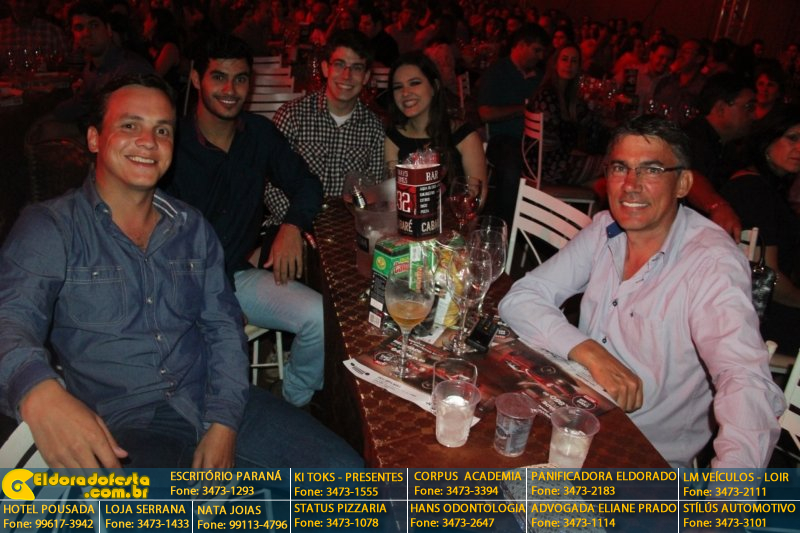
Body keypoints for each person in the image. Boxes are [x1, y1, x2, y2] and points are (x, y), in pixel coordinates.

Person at [0, 73, 361, 468]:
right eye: (130, 125)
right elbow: (11, 318)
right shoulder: (51, 227)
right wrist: (38, 391)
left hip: (213, 398)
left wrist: (224, 422)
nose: (148, 141)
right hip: (126, 426)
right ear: (94, 138)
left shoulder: (192, 227)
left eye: (163, 130)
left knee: (347, 476)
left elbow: (223, 328)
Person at [499, 115, 785, 468]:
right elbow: (522, 297)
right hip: (573, 418)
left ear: (682, 183)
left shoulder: (711, 263)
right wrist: (589, 351)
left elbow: (744, 381)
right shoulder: (606, 228)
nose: (630, 185)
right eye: (620, 168)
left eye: (651, 170)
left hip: (641, 456)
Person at [165, 34, 325, 409]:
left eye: (240, 79)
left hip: (236, 278)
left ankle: (293, 402)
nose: (230, 90)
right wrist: (211, 299)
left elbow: (307, 185)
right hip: (180, 286)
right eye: (219, 77)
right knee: (207, 381)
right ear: (196, 79)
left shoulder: (258, 134)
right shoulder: (171, 143)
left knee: (319, 317)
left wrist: (292, 225)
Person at [267, 30, 384, 235]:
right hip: (291, 229)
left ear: (366, 77)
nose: (347, 75)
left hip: (347, 232)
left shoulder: (374, 129)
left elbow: (374, 191)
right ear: (325, 68)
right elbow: (269, 184)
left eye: (356, 68)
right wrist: (300, 223)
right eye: (339, 64)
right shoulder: (292, 116)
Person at [722, 106, 800, 355]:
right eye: (792, 138)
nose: (799, 148)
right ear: (767, 140)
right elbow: (768, 273)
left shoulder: (764, 187)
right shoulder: (753, 189)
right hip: (759, 320)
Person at [29, 0, 153, 143]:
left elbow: (128, 122)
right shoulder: (92, 68)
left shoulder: (129, 68)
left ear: (108, 30)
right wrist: (46, 117)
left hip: (133, 138)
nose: (86, 33)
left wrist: (71, 129)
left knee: (49, 132)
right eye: (79, 28)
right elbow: (81, 103)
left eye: (94, 25)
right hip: (105, 132)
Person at [385, 52, 487, 205]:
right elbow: (394, 196)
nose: (405, 93)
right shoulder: (394, 137)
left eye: (414, 83)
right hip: (409, 218)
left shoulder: (464, 136)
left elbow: (478, 197)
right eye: (398, 87)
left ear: (435, 87)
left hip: (454, 219)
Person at [477, 23, 547, 226]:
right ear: (521, 45)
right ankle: (504, 225)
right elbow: (485, 113)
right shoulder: (498, 72)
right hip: (504, 139)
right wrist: (523, 109)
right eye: (536, 50)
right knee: (511, 168)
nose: (540, 56)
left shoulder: (540, 77)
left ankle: (539, 223)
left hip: (534, 143)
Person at [682, 71, 754, 239]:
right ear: (721, 109)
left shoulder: (726, 144)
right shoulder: (693, 138)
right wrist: (718, 206)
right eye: (748, 107)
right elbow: (689, 177)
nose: (754, 115)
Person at [525, 43, 603, 186]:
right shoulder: (547, 95)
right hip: (547, 166)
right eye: (564, 59)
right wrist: (576, 153)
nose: (569, 65)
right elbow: (548, 145)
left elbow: (591, 123)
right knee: (611, 164)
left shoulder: (570, 97)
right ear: (555, 63)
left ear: (578, 67)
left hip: (556, 162)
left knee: (602, 182)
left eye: (574, 61)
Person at [0, 0, 67, 67]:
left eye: (29, 1)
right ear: (9, 2)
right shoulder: (1, 29)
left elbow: (66, 65)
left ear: (36, 3)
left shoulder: (53, 32)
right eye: (18, 1)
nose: (23, 5)